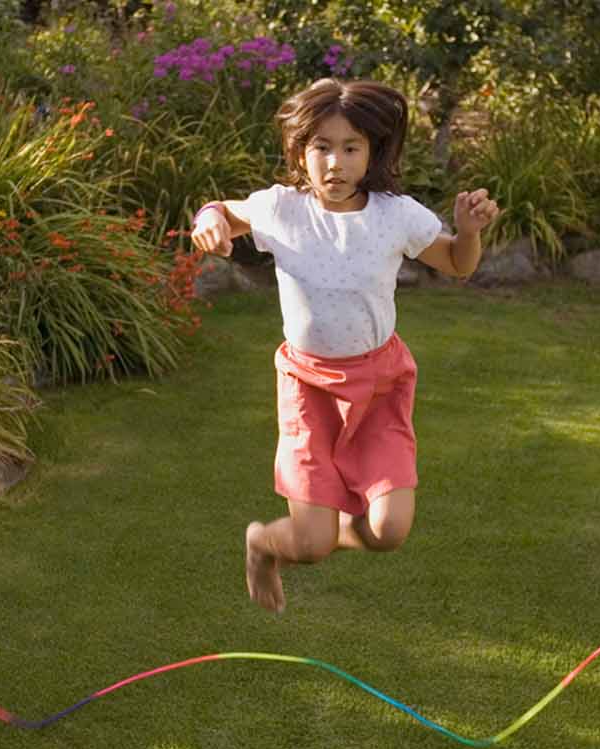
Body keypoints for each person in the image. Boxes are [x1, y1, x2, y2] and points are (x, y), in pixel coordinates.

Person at [190, 78, 500, 612]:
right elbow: (221, 210)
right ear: (300, 151)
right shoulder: (283, 209)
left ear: (373, 151)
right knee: (307, 545)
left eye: (351, 147)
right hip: (308, 386)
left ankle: (328, 530)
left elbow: (457, 264)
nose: (336, 162)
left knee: (388, 530)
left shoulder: (393, 215)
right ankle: (265, 543)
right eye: (322, 147)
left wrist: (469, 231)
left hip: (379, 384)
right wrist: (209, 223)